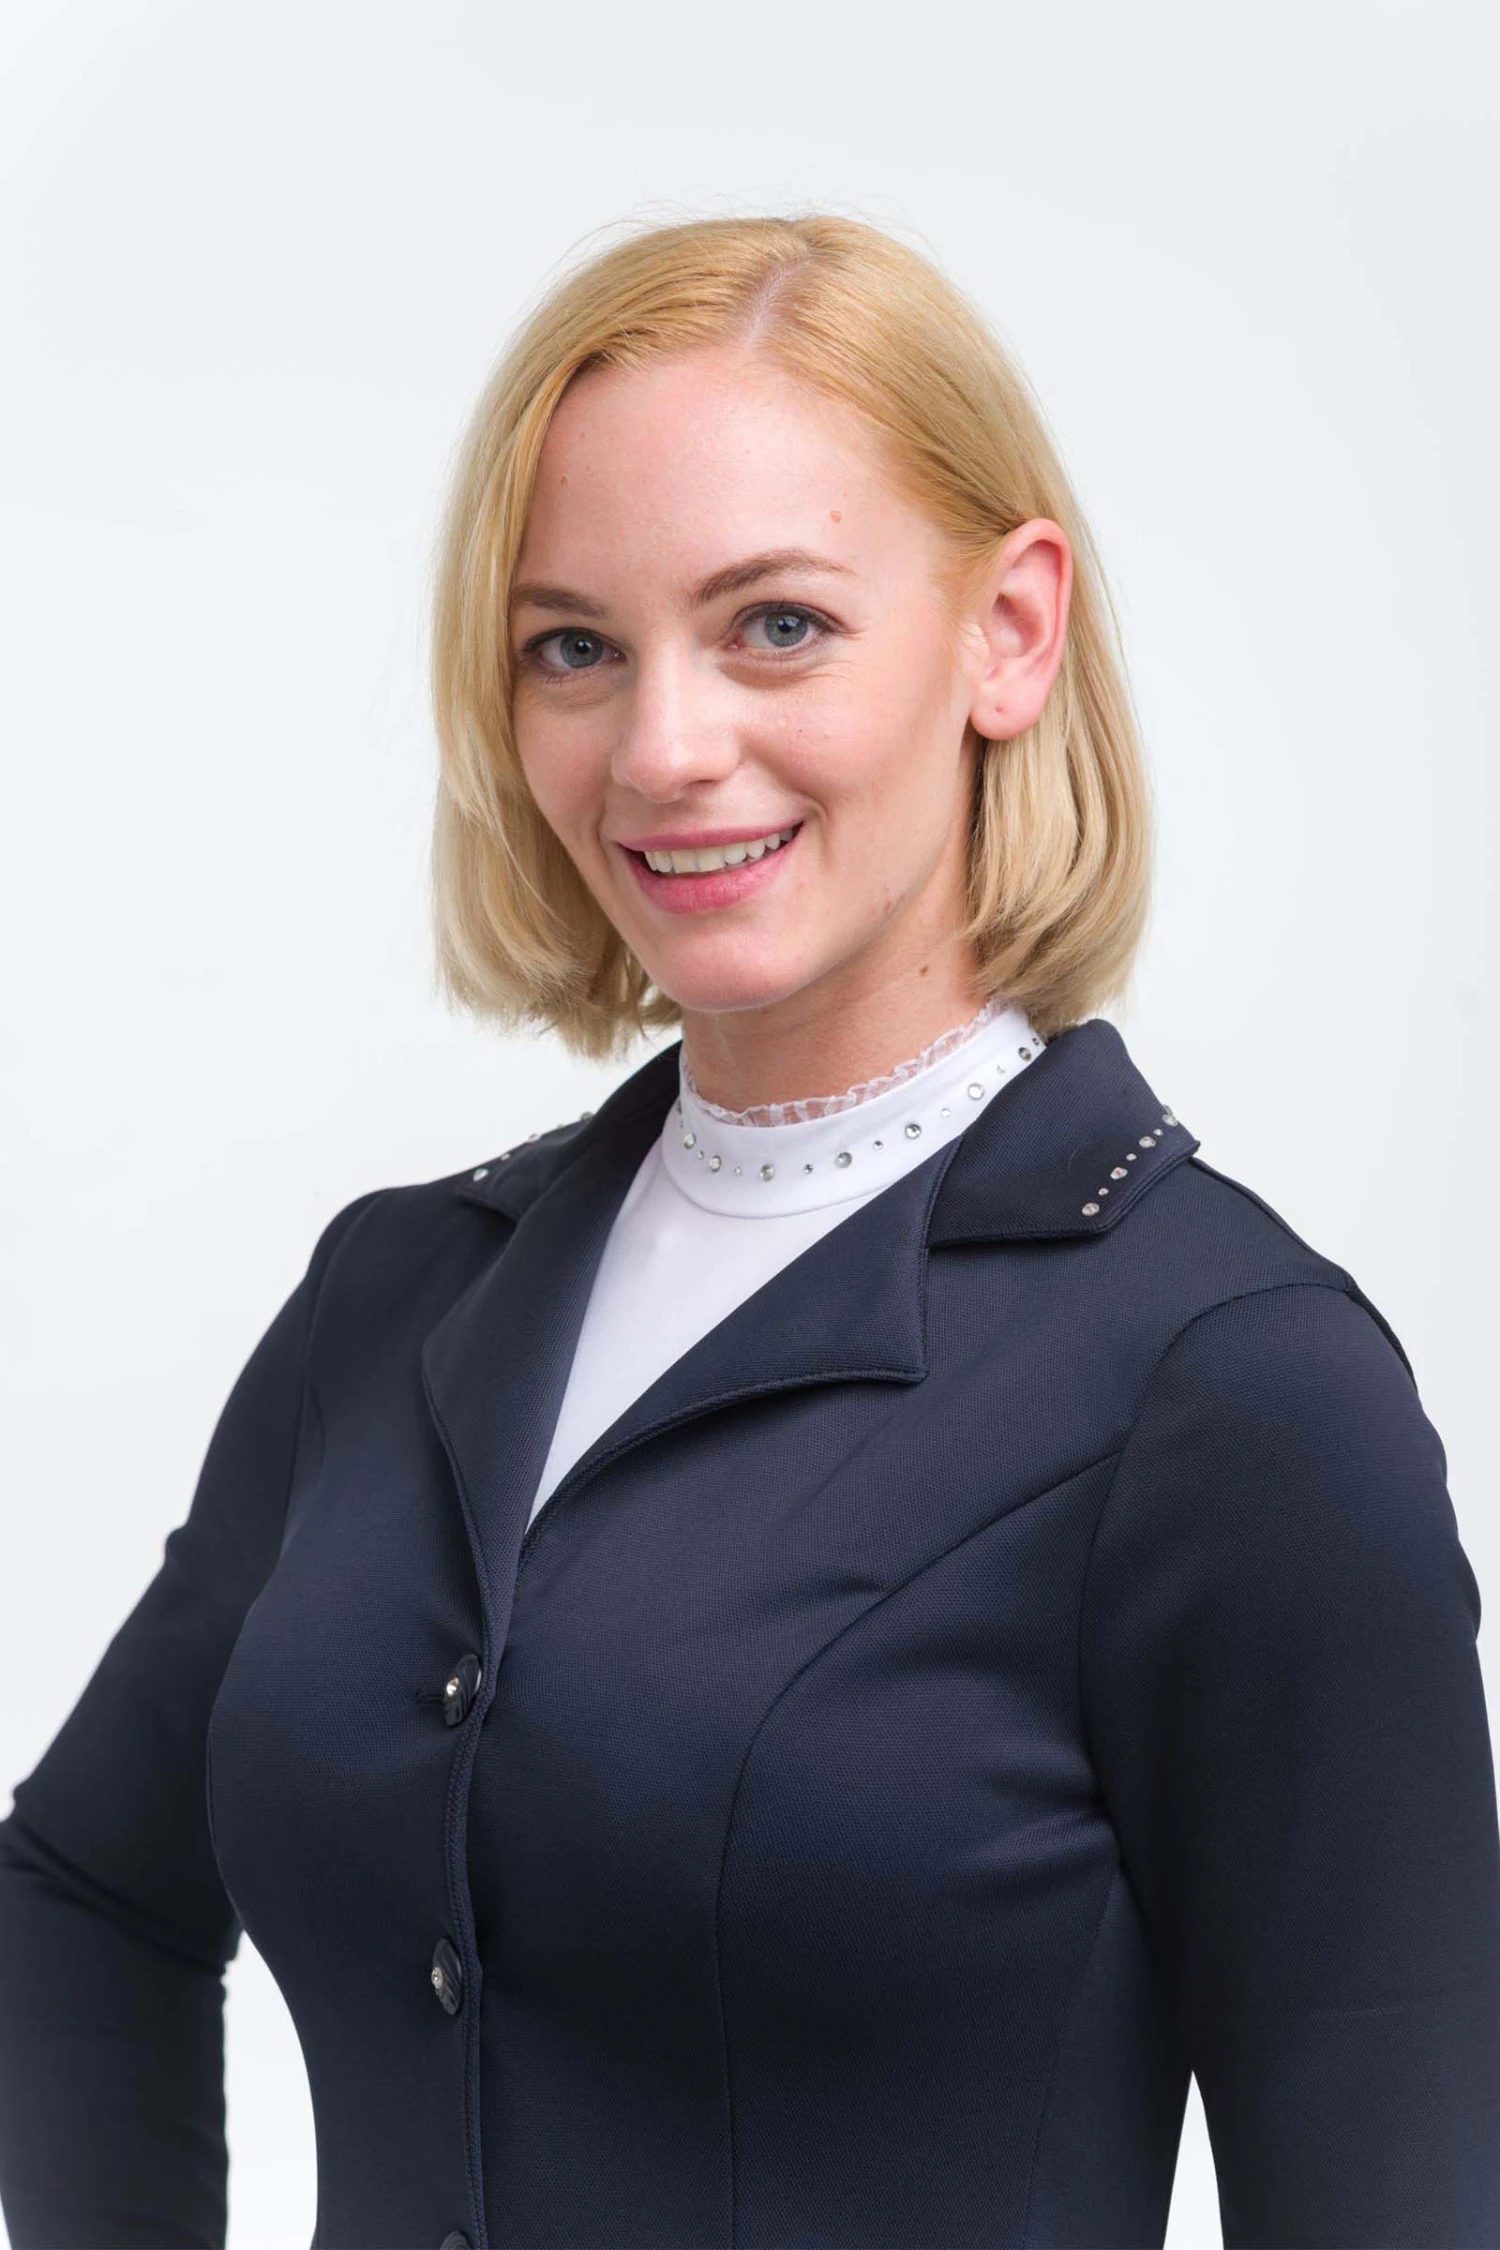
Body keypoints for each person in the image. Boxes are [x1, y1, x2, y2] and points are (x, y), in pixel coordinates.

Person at [1, 210, 1496, 2250]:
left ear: (1010, 632)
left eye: (776, 624)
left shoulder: (1234, 1392)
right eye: (573, 648)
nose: (663, 750)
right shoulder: (394, 1300)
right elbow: (80, 1892)